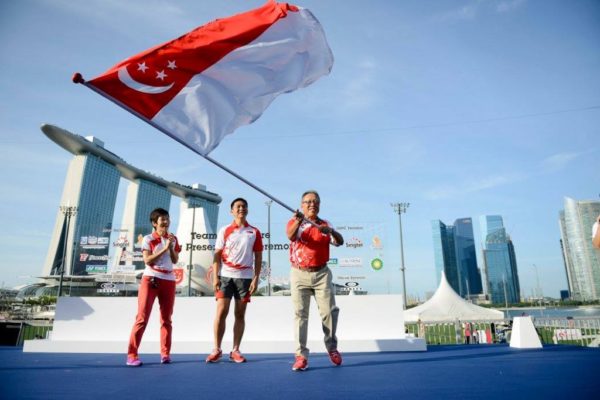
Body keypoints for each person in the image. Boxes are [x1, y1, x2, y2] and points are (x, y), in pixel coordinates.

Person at [287, 190, 344, 371]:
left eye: (315, 202)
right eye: (308, 202)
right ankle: (300, 355)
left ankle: (332, 347)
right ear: (302, 204)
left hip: (321, 274)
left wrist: (331, 231)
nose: (312, 204)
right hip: (299, 274)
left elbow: (340, 241)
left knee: (329, 312)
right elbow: (290, 235)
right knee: (300, 315)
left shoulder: (326, 224)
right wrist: (298, 219)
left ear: (319, 205)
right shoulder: (296, 221)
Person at [206, 198, 263, 363]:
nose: (241, 209)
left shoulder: (254, 232)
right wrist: (216, 276)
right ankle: (216, 349)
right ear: (231, 211)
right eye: (237, 207)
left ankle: (235, 350)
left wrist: (256, 278)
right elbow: (217, 256)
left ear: (247, 210)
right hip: (225, 276)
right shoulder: (224, 230)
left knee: (240, 314)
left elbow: (258, 256)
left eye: (244, 206)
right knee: (221, 312)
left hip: (244, 278)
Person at [126, 208, 181, 367]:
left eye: (167, 218)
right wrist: (164, 248)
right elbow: (147, 260)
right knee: (142, 318)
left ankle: (165, 354)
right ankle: (132, 354)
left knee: (166, 319)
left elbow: (175, 260)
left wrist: (170, 247)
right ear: (154, 223)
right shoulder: (148, 239)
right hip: (150, 279)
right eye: (162, 219)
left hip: (168, 280)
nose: (165, 222)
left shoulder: (173, 238)